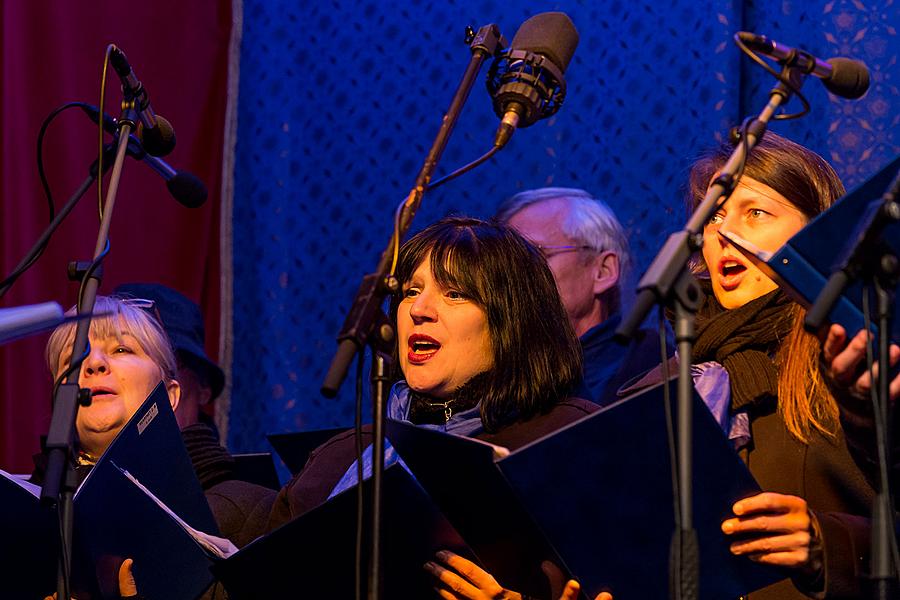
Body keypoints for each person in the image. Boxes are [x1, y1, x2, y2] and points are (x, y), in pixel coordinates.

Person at [267, 216, 606, 598]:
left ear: (512, 320)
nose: (419, 310)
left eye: (455, 293)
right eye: (411, 291)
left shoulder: (569, 441)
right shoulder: (339, 458)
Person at [625, 131, 899, 599]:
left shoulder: (850, 355)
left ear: (816, 232)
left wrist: (824, 546)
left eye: (755, 212)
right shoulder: (665, 381)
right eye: (713, 214)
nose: (724, 232)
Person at [496, 188, 665, 405]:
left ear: (603, 271)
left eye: (533, 255)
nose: (512, 276)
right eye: (506, 265)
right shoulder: (499, 382)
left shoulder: (651, 371)